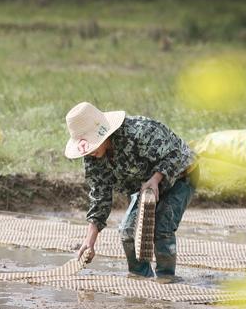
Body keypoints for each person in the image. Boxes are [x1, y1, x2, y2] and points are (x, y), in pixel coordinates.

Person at [64, 101, 196, 280]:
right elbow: (100, 194)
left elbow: (176, 155)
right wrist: (90, 239)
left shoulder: (139, 131)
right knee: (127, 231)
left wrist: (156, 178)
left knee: (162, 227)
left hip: (181, 175)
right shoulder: (92, 157)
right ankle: (140, 276)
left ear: (104, 134)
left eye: (92, 143)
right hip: (145, 186)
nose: (90, 151)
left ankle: (166, 278)